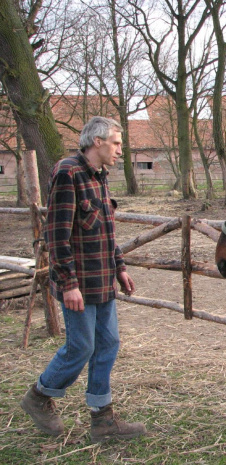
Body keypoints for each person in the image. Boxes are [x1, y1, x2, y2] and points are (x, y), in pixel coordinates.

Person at [20, 116, 146, 443]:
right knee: (81, 346)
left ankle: (103, 421)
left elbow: (106, 231)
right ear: (97, 142)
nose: (121, 150)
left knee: (108, 344)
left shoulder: (99, 177)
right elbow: (56, 235)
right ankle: (39, 396)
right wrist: (68, 283)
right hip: (78, 284)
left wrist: (120, 267)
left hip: (102, 280)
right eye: (116, 143)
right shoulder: (68, 173)